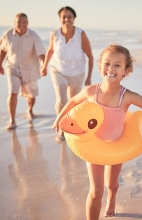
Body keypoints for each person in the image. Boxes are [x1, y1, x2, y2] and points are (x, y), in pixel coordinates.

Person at [52, 44, 142, 220]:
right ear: (100, 66)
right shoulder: (91, 91)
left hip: (116, 146)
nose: (111, 69)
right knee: (96, 191)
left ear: (126, 71)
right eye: (107, 63)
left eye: (117, 65)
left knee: (111, 184)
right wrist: (59, 118)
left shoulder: (128, 96)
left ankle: (112, 199)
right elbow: (73, 101)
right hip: (93, 145)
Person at [41, 6, 93, 141]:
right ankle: (62, 129)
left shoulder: (81, 34)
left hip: (77, 72)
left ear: (74, 19)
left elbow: (90, 56)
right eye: (64, 17)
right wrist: (44, 66)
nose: (66, 19)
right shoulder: (55, 33)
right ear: (60, 19)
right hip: (58, 69)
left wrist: (88, 77)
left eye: (69, 16)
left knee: (73, 102)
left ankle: (72, 125)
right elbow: (50, 51)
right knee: (61, 100)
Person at [0, 13, 45, 130]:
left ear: (28, 23)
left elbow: (41, 53)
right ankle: (12, 120)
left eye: (24, 22)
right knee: (12, 92)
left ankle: (30, 110)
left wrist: (42, 66)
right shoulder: (8, 34)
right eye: (19, 22)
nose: (21, 25)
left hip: (30, 69)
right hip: (12, 67)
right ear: (15, 23)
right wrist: (0, 64)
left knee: (31, 96)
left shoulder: (34, 36)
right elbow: (3, 50)